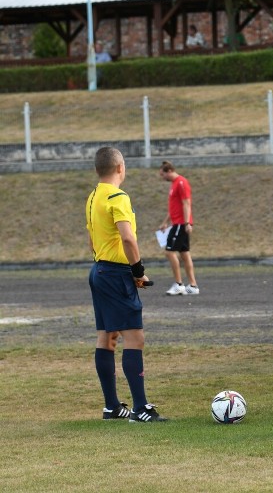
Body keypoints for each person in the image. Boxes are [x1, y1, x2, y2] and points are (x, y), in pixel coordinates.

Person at [86, 146, 167, 422]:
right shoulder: (118, 197)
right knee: (135, 337)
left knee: (107, 337)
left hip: (99, 269)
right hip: (117, 273)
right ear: (120, 167)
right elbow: (128, 239)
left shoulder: (93, 196)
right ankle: (140, 408)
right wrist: (138, 271)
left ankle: (111, 407)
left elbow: (92, 239)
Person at [158, 161, 198, 295]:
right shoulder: (174, 184)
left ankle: (179, 284)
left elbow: (186, 203)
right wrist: (165, 222)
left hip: (181, 223)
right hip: (177, 223)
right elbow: (175, 207)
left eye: (163, 174)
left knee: (169, 252)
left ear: (169, 171)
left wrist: (187, 223)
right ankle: (193, 286)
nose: (162, 177)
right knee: (185, 254)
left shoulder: (181, 182)